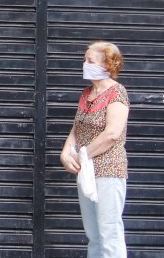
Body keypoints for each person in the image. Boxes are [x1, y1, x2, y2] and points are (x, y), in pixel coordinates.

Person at [59, 41, 130, 258]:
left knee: (109, 231)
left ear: (107, 65)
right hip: (87, 170)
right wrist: (65, 153)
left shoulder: (117, 93)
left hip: (108, 170)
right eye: (85, 60)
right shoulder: (86, 94)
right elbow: (76, 129)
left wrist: (82, 154)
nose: (85, 64)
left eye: (90, 61)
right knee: (93, 235)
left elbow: (112, 134)